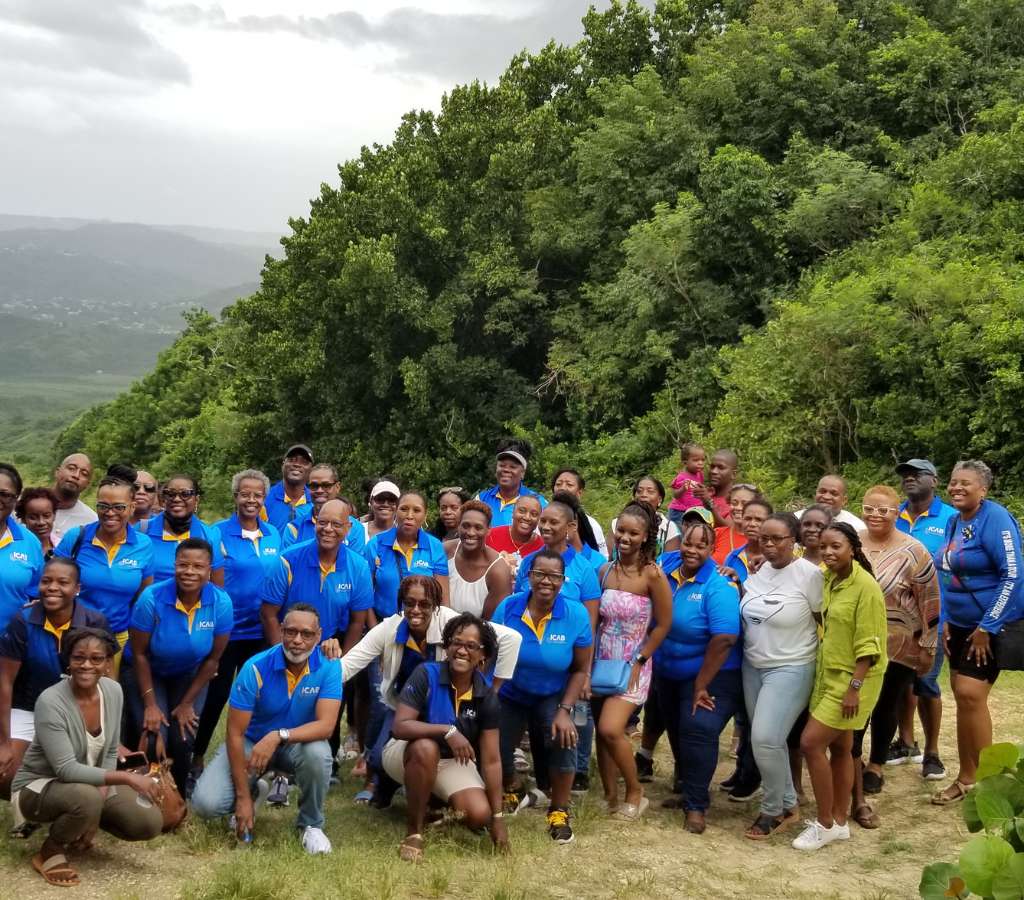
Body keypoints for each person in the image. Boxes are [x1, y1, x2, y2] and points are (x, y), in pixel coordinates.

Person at [341, 576, 522, 806]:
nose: (416, 610)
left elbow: (511, 639)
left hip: (443, 707)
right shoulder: (389, 628)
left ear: (436, 606)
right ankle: (383, 787)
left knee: (442, 750)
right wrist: (311, 677)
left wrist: (491, 689)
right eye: (409, 603)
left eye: (424, 604)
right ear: (402, 604)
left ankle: (439, 792)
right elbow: (347, 666)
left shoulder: (450, 622)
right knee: (378, 757)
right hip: (404, 706)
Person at [11, 628, 163, 887]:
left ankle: (81, 818)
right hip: (38, 787)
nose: (86, 665)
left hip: (88, 784)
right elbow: (66, 770)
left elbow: (110, 751)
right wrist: (128, 778)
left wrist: (95, 809)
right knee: (87, 798)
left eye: (96, 659)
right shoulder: (51, 701)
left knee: (148, 823)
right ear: (68, 661)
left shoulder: (113, 691)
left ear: (107, 663)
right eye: (78, 657)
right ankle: (51, 849)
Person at [191, 603, 340, 855]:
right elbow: (234, 734)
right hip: (252, 744)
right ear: (281, 630)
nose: (297, 640)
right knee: (206, 804)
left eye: (306, 634)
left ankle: (311, 825)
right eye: (291, 632)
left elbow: (326, 727)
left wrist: (279, 736)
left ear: (318, 635)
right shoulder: (255, 667)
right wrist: (242, 799)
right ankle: (252, 791)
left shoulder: (329, 665)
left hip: (296, 745)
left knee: (319, 753)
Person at [932, 460, 1023, 805]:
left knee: (970, 694)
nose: (956, 488)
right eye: (953, 482)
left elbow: (1012, 575)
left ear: (983, 489)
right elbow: (947, 576)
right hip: (959, 626)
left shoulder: (995, 518)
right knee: (963, 697)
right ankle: (967, 778)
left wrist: (987, 626)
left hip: (991, 625)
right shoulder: (955, 522)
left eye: (965, 483)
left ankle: (994, 789)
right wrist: (945, 622)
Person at [385, 613, 509, 861]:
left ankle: (433, 806)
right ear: (447, 646)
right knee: (426, 748)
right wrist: (447, 730)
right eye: (456, 643)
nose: (462, 650)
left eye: (471, 646)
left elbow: (492, 761)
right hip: (407, 751)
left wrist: (497, 818)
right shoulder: (426, 673)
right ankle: (414, 832)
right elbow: (400, 727)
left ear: (483, 655)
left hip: (452, 761)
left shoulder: (486, 696)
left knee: (478, 815)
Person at [793, 523, 886, 851]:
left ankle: (825, 823)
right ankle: (840, 821)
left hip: (855, 680)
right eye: (825, 547)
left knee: (810, 743)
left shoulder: (866, 587)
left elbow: (870, 645)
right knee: (843, 747)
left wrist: (854, 689)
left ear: (853, 548)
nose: (829, 553)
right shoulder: (830, 578)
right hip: (828, 673)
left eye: (837, 547)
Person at [491, 550, 592, 844]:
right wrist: (490, 696)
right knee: (493, 738)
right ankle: (514, 788)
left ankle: (559, 810)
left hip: (556, 692)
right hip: (512, 689)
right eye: (539, 574)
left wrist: (565, 710)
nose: (546, 581)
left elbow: (580, 668)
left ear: (563, 580)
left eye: (554, 576)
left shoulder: (576, 614)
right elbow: (491, 654)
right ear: (528, 576)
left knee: (568, 733)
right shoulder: (508, 607)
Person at [852, 485, 940, 820]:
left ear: (896, 512)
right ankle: (853, 757)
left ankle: (876, 763)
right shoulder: (853, 541)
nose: (876, 515)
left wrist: (928, 646)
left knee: (886, 705)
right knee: (856, 704)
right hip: (857, 641)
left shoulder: (914, 550)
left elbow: (930, 601)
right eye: (870, 508)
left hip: (900, 644)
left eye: (884, 510)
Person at [192, 470, 282, 783]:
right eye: (245, 493)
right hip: (228, 632)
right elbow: (212, 588)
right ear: (235, 496)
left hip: (262, 632)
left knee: (263, 698)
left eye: (258, 494)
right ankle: (197, 757)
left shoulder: (273, 534)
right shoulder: (217, 534)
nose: (251, 499)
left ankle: (262, 761)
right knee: (215, 696)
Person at [125, 538, 233, 795]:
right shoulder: (151, 598)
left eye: (198, 566)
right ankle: (147, 789)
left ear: (209, 570)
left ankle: (180, 793)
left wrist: (187, 704)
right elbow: (139, 654)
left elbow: (212, 660)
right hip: (148, 671)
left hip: (190, 674)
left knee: (183, 736)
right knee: (153, 732)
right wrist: (151, 705)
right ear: (174, 565)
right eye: (183, 565)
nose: (190, 572)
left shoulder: (221, 603)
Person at [655, 520, 742, 834]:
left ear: (711, 549)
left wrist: (701, 684)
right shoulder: (666, 568)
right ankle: (687, 786)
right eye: (687, 543)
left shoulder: (719, 585)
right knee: (677, 730)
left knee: (698, 729)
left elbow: (724, 639)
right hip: (668, 671)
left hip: (713, 674)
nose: (691, 550)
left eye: (700, 545)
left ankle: (696, 805)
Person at [739, 513, 823, 840]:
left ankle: (773, 809)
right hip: (753, 665)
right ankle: (789, 803)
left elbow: (823, 621)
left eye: (778, 539)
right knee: (768, 742)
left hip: (792, 665)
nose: (770, 545)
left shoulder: (810, 576)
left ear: (795, 540)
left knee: (765, 738)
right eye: (764, 539)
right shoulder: (758, 572)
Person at [0, 558, 109, 805]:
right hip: (28, 708)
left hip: (76, 710)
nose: (52, 587)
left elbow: (106, 683)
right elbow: (5, 681)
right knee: (6, 774)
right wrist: (4, 742)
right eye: (46, 581)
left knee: (79, 775)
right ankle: (37, 803)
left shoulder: (95, 623)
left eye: (63, 582)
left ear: (77, 588)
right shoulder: (23, 621)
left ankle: (61, 800)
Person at [592, 502, 671, 817]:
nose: (625, 537)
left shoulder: (652, 574)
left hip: (633, 661)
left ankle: (635, 791)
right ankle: (610, 795)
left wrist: (641, 659)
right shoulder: (604, 571)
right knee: (601, 731)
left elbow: (664, 624)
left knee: (613, 728)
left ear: (645, 536)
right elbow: (596, 619)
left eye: (633, 533)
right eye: (621, 530)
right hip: (602, 659)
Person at [890, 459, 956, 775]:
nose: (910, 479)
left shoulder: (951, 518)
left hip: (936, 619)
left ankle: (932, 753)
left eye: (917, 474)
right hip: (897, 621)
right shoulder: (894, 515)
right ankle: (905, 743)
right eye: (905, 475)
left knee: (926, 683)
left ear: (935, 480)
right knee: (901, 683)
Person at [54, 475, 154, 671]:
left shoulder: (144, 545)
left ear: (132, 507)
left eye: (119, 507)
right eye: (103, 506)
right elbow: (54, 582)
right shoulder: (77, 537)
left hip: (117, 637)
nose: (110, 513)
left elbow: (143, 594)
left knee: (108, 696)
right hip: (74, 634)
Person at [261, 499, 372, 653]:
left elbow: (357, 622)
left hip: (331, 646)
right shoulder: (287, 560)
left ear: (348, 528)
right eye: (322, 522)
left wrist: (343, 667)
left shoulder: (359, 567)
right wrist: (282, 655)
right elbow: (268, 614)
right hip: (289, 644)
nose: (327, 529)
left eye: (336, 524)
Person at [365, 491, 449, 621]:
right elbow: (365, 595)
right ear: (396, 512)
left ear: (425, 514)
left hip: (424, 625)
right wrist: (375, 629)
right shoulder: (375, 544)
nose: (409, 516)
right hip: (383, 624)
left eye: (416, 510)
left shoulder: (435, 546)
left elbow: (443, 599)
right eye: (403, 509)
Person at [145, 474, 225, 585]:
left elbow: (217, 588)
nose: (177, 499)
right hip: (150, 601)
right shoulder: (143, 530)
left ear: (196, 499)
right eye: (171, 494)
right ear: (164, 499)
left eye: (185, 494)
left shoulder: (209, 536)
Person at [445, 500, 512, 619]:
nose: (471, 533)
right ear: (458, 526)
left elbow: (491, 624)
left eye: (478, 527)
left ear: (488, 530)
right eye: (465, 526)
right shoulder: (445, 551)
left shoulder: (498, 571)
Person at [283, 464, 367, 554]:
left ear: (337, 487)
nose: (319, 490)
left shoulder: (355, 527)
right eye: (314, 486)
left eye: (326, 485)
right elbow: (287, 565)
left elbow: (354, 566)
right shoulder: (294, 528)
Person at [0, 463, 45, 632]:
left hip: (10, 646)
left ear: (16, 498)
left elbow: (36, 592)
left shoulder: (30, 543)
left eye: (4, 494)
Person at [476, 438, 547, 528]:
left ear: (523, 473)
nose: (506, 470)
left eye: (513, 467)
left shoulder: (539, 503)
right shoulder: (481, 499)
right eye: (502, 465)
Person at [607, 475, 681, 557]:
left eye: (650, 491)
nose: (644, 495)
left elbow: (669, 564)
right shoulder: (617, 523)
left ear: (659, 499)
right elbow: (610, 558)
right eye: (639, 491)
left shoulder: (669, 528)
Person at [551, 468, 608, 558]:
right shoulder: (543, 519)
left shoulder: (592, 525)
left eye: (569, 485)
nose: (562, 488)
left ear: (579, 493)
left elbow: (602, 558)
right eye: (558, 484)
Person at [485, 494, 543, 575]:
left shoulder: (544, 547)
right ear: (513, 513)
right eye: (522, 511)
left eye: (534, 514)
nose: (527, 517)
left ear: (539, 519)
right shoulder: (490, 536)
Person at [263, 443, 314, 531]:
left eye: (304, 462)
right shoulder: (264, 498)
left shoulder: (316, 500)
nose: (297, 465)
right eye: (291, 460)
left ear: (311, 469)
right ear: (283, 464)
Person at [722, 498, 773, 584]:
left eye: (759, 520)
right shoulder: (733, 557)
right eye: (748, 519)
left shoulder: (779, 558)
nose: (752, 524)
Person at [50, 454, 97, 546]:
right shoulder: (27, 505)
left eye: (84, 474)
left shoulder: (92, 522)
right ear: (57, 472)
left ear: (88, 484)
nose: (76, 475)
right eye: (71, 468)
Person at [713, 483, 759, 565]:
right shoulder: (716, 534)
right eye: (734, 503)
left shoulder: (764, 540)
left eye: (745, 504)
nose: (738, 508)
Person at [798, 475, 866, 531]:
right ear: (815, 494)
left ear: (844, 500)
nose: (826, 497)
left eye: (834, 494)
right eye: (822, 491)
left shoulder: (857, 527)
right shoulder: (797, 519)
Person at [697, 449, 739, 528]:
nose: (714, 471)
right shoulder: (704, 495)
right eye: (712, 467)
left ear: (733, 474)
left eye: (721, 468)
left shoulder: (737, 501)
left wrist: (709, 504)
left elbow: (729, 530)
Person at [14, 487, 59, 559]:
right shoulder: (14, 549)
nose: (41, 522)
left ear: (54, 515)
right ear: (23, 519)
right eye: (33, 517)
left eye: (46, 516)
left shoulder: (62, 547)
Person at [669, 443, 707, 524]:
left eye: (703, 460)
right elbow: (675, 495)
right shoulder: (681, 477)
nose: (700, 463)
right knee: (681, 533)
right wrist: (683, 489)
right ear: (685, 463)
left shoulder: (699, 474)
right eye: (696, 460)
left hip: (695, 511)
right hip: (680, 512)